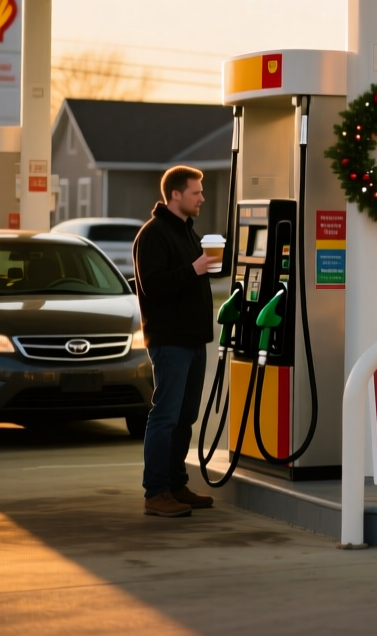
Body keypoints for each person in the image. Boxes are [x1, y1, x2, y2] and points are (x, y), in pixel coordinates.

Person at [133, 165, 217, 517]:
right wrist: (194, 270)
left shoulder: (187, 232)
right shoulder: (153, 235)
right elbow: (154, 284)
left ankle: (176, 484)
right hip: (170, 341)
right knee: (165, 415)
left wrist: (207, 267)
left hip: (193, 339)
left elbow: (187, 278)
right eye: (196, 192)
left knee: (185, 416)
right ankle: (156, 492)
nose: (202, 198)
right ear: (176, 195)